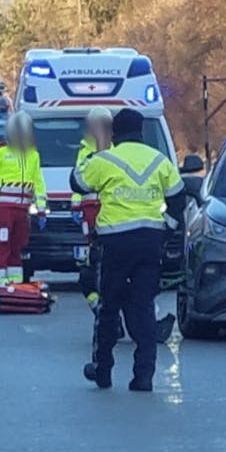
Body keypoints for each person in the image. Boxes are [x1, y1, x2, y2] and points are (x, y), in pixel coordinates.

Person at [72, 108, 186, 392]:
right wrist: (166, 229)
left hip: (115, 244)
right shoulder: (159, 161)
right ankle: (143, 376)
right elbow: (178, 200)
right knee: (143, 307)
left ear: (114, 133)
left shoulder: (105, 160)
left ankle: (103, 370)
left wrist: (93, 152)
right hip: (149, 244)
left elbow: (78, 182)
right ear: (141, 132)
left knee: (109, 308)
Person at [0, 113, 47, 286]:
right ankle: (0, 280)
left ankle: (15, 282)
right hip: (3, 208)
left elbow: (38, 183)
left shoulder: (33, 154)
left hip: (23, 209)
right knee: (3, 243)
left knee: (19, 245)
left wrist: (41, 210)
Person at [73, 107, 114, 305]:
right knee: (95, 254)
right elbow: (77, 181)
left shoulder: (114, 149)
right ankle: (102, 307)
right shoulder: (85, 151)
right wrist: (75, 205)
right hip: (91, 207)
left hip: (108, 207)